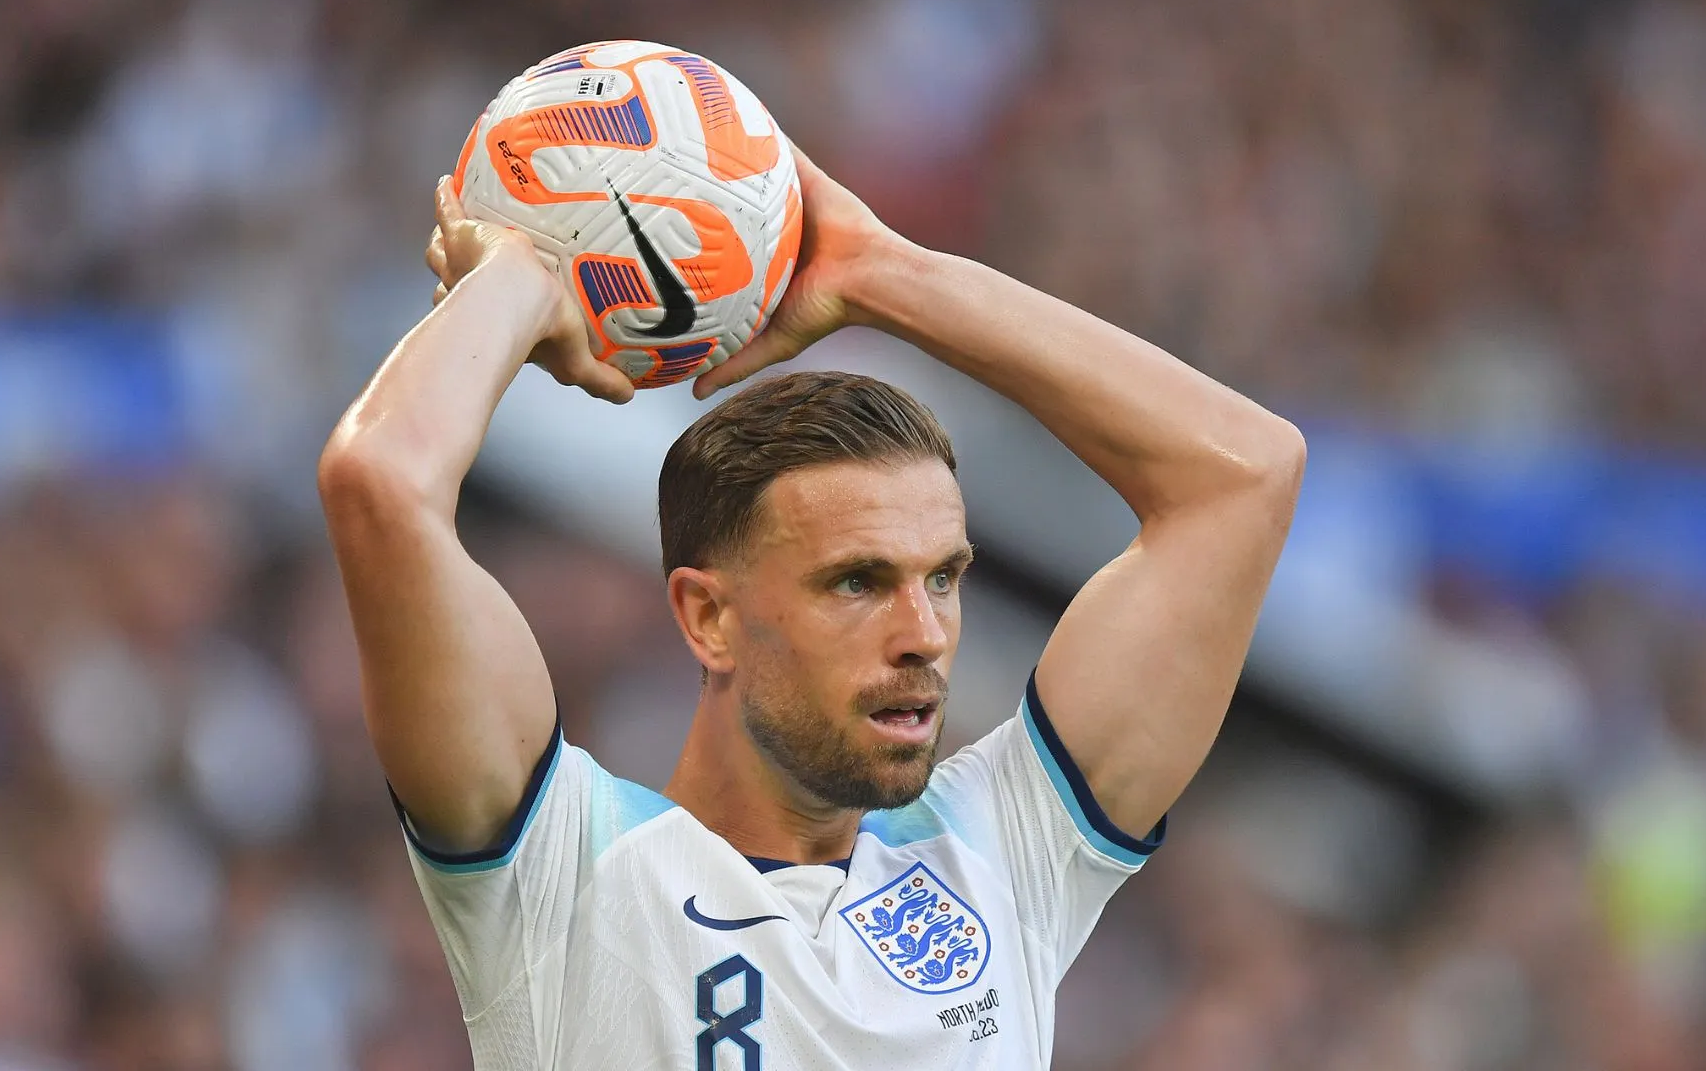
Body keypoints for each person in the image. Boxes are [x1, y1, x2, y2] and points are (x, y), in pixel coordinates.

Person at [316, 144, 1306, 1069]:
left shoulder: (1002, 859)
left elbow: (1245, 478)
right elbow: (381, 487)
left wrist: (890, 276)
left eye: (943, 579)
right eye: (857, 583)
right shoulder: (563, 879)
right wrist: (524, 276)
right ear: (708, 618)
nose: (923, 636)